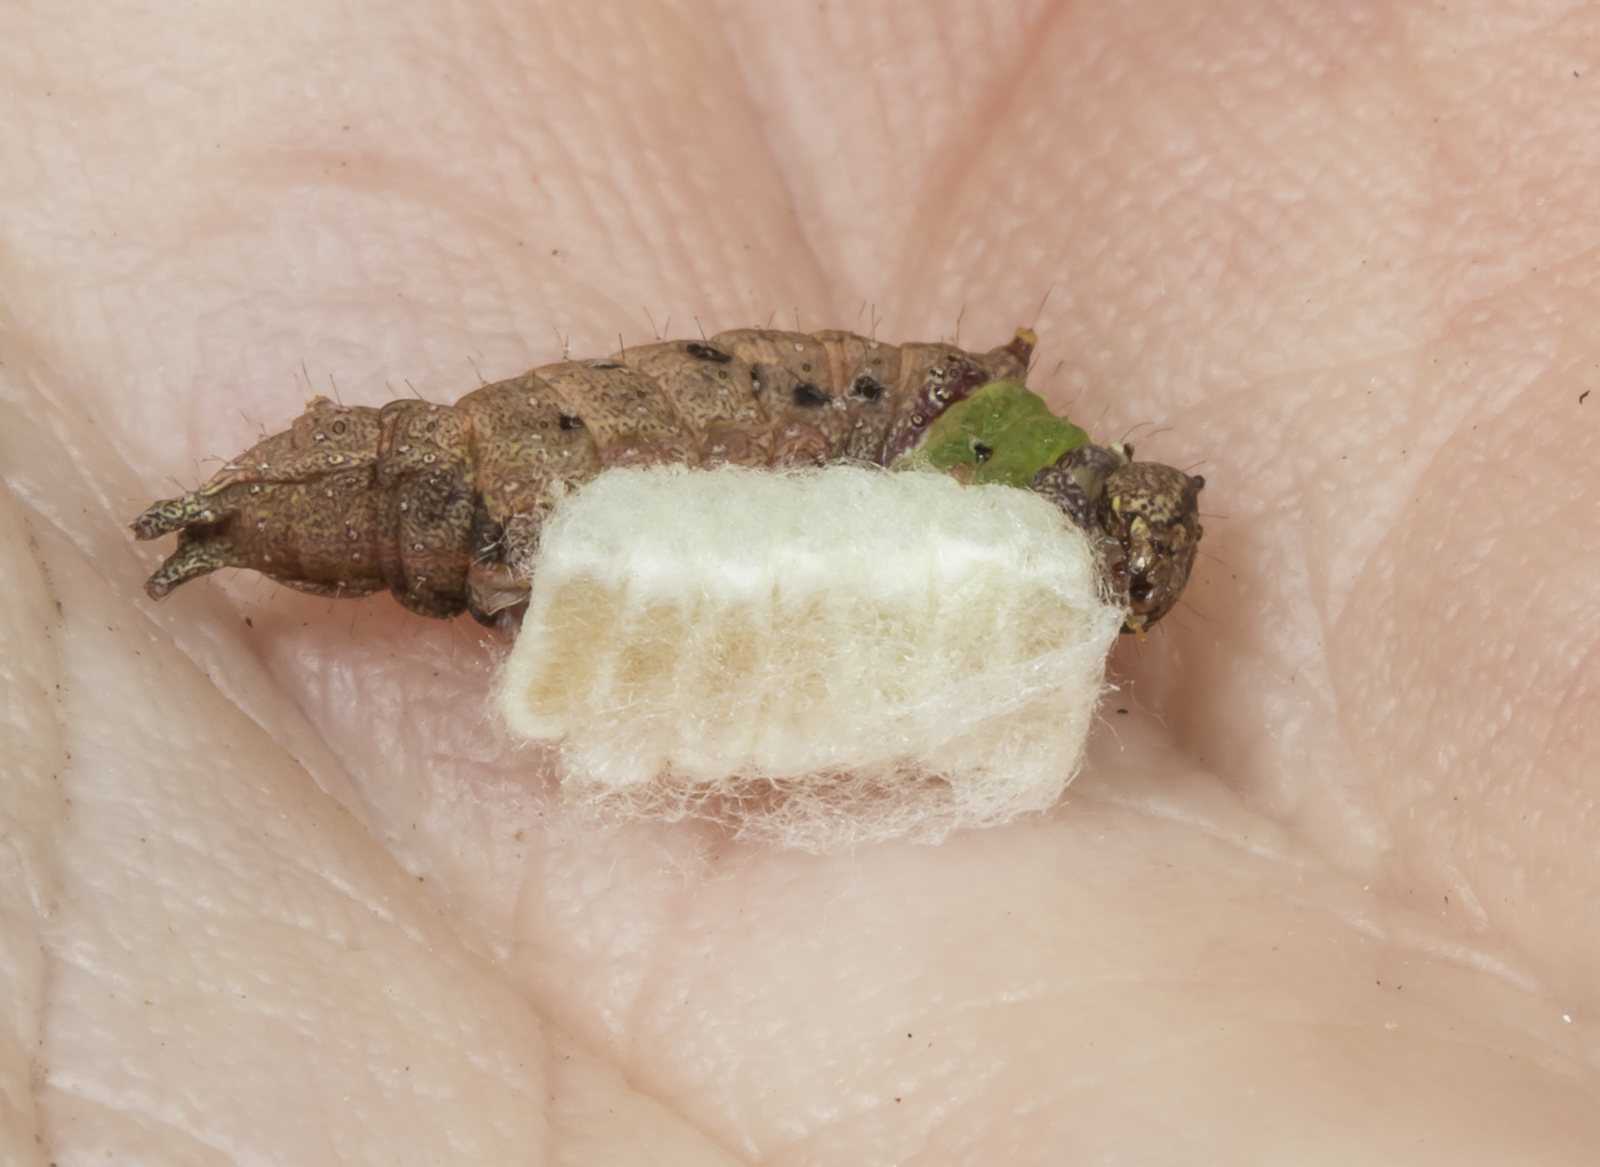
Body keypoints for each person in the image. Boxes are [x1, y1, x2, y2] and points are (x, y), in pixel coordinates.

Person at [4, 2, 1596, 1161]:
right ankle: (251, 515)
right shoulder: (948, 431)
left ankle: (261, 517)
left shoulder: (935, 448)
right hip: (611, 453)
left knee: (483, 495)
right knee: (476, 488)